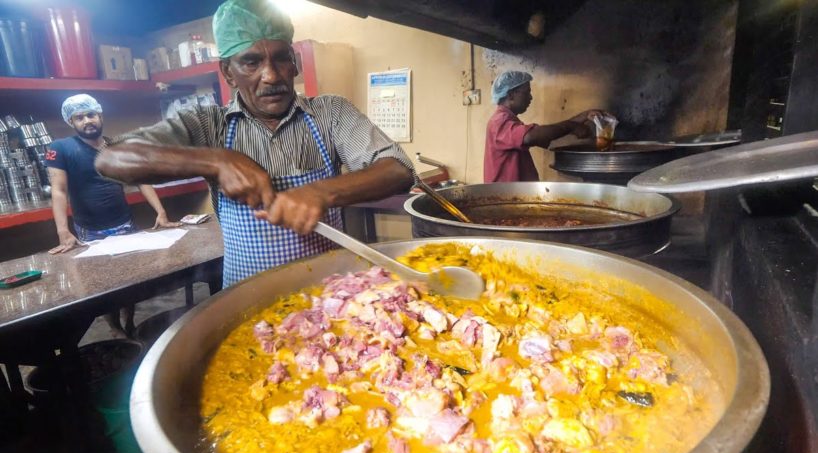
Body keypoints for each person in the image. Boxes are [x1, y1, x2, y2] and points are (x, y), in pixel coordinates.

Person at [96, 0, 415, 287]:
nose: (272, 76)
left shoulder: (330, 113)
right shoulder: (209, 125)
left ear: (295, 63)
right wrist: (215, 161)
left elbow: (398, 170)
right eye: (251, 62)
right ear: (228, 72)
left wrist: (321, 192)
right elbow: (111, 160)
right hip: (246, 300)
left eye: (281, 59)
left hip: (328, 293)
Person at [46, 94, 179, 254]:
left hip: (125, 225)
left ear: (100, 116)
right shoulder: (60, 148)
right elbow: (59, 190)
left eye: (91, 115)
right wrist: (63, 231)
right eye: (79, 118)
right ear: (71, 122)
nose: (87, 121)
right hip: (89, 231)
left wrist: (161, 212)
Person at [484, 70, 614, 183]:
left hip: (515, 197)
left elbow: (544, 135)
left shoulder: (509, 121)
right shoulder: (499, 121)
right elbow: (532, 136)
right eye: (527, 92)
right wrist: (571, 126)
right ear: (511, 94)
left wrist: (582, 117)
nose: (530, 97)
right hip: (506, 199)